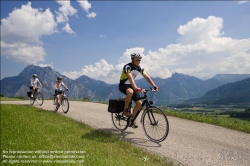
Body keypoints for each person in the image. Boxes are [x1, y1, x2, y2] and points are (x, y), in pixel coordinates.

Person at [119, 53, 159, 128]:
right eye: (136, 60)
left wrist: (154, 86)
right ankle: (126, 109)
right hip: (123, 85)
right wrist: (136, 87)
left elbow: (146, 76)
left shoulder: (140, 68)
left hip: (132, 85)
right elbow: (130, 78)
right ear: (132, 60)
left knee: (139, 103)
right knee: (130, 92)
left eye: (139, 60)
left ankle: (132, 120)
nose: (138, 61)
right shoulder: (127, 66)